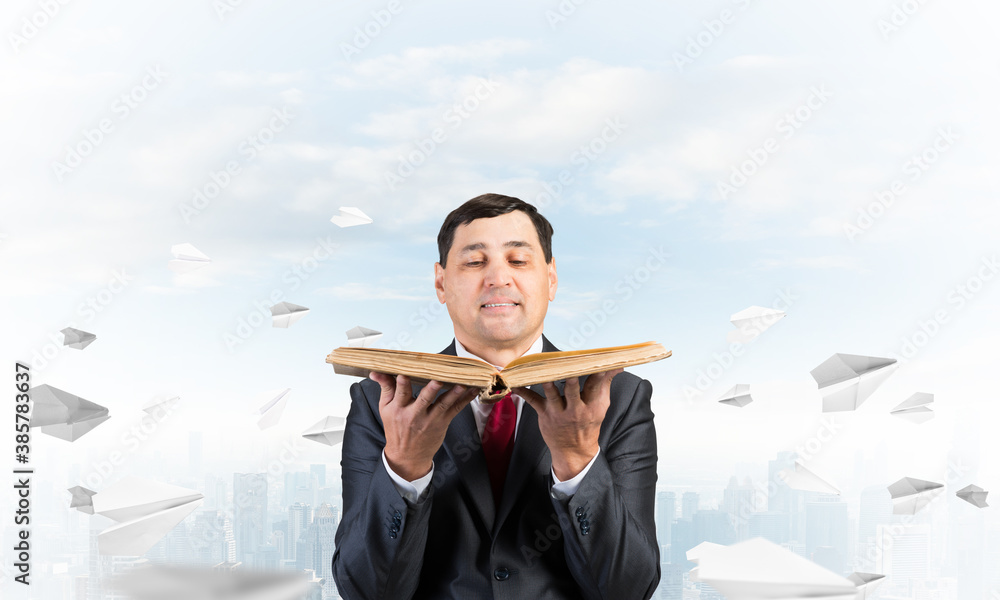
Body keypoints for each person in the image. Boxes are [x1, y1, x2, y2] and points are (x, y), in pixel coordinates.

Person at [332, 194, 659, 599]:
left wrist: (577, 461)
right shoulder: (383, 398)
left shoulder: (618, 396)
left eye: (518, 261)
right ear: (440, 282)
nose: (498, 278)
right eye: (474, 262)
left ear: (551, 279)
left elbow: (629, 590)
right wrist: (405, 465)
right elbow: (364, 591)